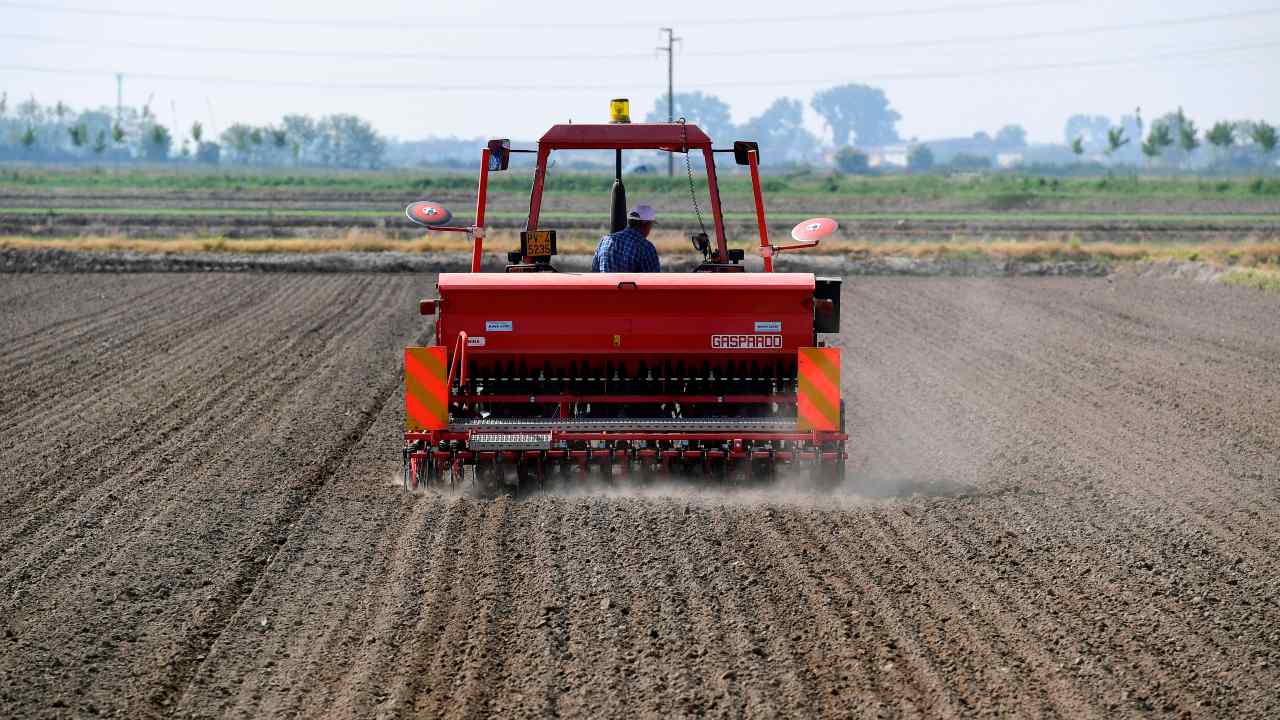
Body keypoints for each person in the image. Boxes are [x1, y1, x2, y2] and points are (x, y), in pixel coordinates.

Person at [591, 204, 661, 272]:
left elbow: (594, 271)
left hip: (605, 283)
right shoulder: (646, 247)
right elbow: (653, 280)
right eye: (651, 225)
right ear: (646, 224)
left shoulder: (605, 241)